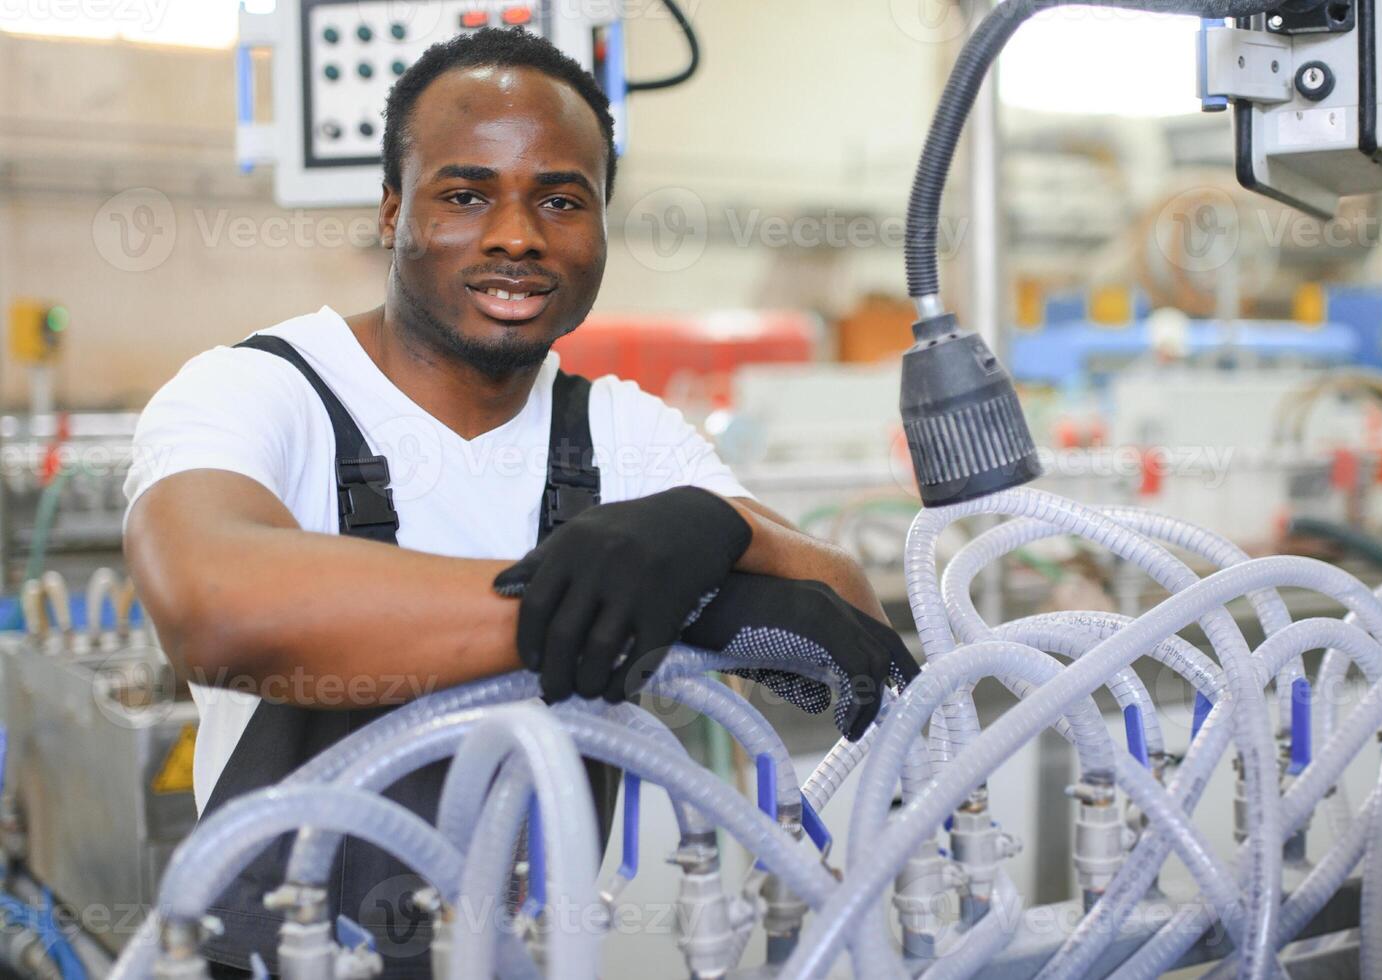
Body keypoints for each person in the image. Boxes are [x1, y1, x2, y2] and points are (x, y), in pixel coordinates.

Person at [123, 27, 918, 977]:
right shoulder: (265, 391)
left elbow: (843, 635)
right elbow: (217, 607)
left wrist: (721, 528)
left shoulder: (620, 433)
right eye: (465, 195)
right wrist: (619, 610)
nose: (516, 235)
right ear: (391, 213)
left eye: (560, 199)